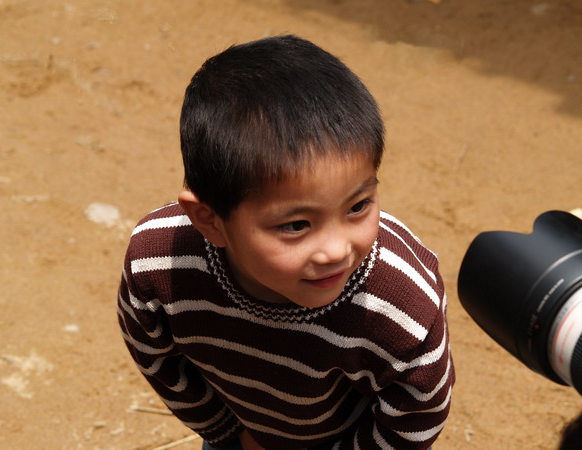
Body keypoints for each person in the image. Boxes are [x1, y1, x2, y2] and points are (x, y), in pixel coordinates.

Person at [117, 34, 454, 449]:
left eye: (358, 206)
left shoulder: (401, 303)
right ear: (211, 220)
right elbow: (151, 351)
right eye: (296, 226)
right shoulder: (160, 265)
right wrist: (227, 433)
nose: (336, 250)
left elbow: (420, 409)